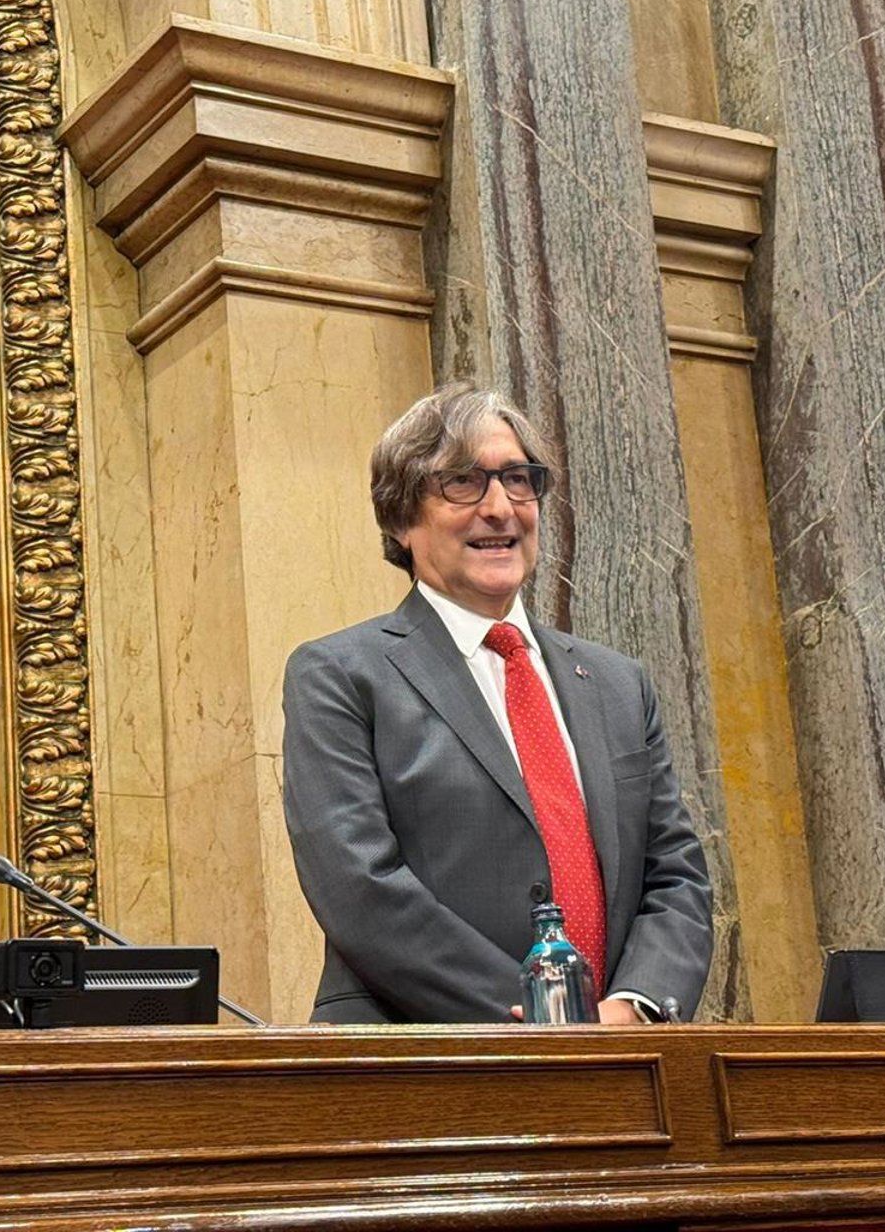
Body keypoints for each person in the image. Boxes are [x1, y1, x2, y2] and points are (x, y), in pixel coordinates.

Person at [281, 384, 712, 1023]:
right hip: (427, 1055)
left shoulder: (619, 684)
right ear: (401, 518)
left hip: (620, 1056)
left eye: (517, 479)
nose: (500, 507)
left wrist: (632, 1006)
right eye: (462, 482)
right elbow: (358, 886)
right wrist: (549, 1017)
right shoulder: (340, 675)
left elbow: (675, 875)